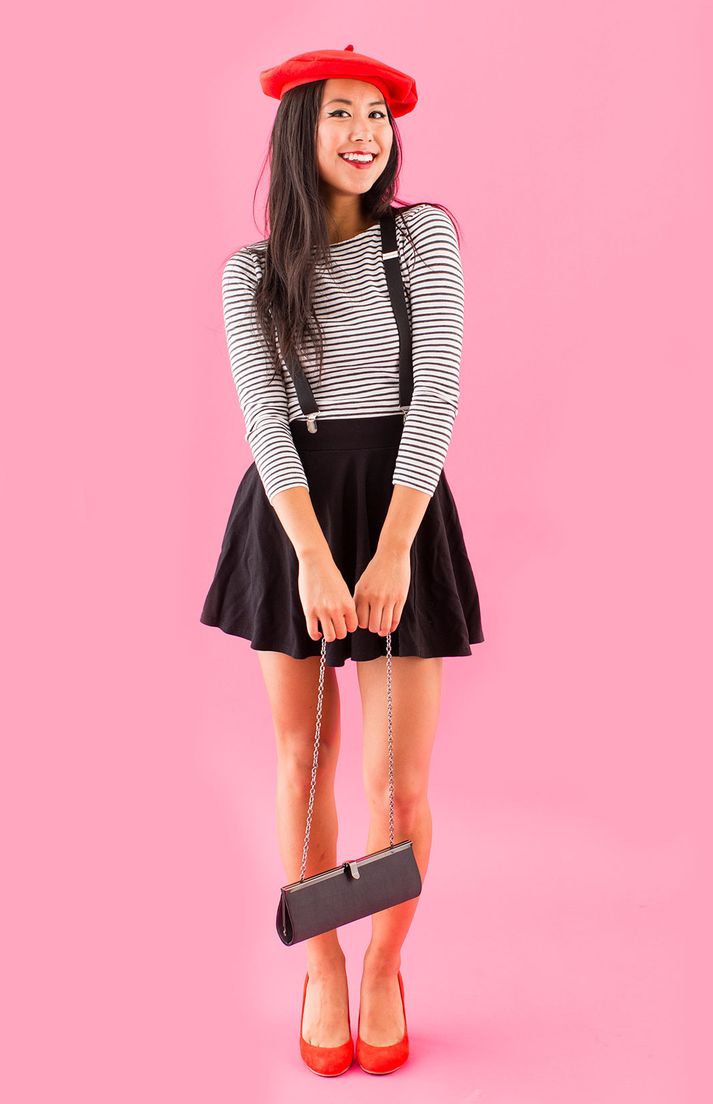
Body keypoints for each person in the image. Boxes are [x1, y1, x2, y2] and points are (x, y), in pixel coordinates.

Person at [200, 44, 484, 1076]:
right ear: (297, 132)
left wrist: (394, 551)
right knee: (303, 759)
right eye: (340, 116)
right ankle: (321, 962)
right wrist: (316, 562)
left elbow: (437, 397)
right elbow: (265, 423)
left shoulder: (424, 242)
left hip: (403, 505)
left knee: (397, 784)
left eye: (377, 115)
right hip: (295, 516)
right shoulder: (250, 274)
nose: (365, 134)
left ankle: (383, 965)